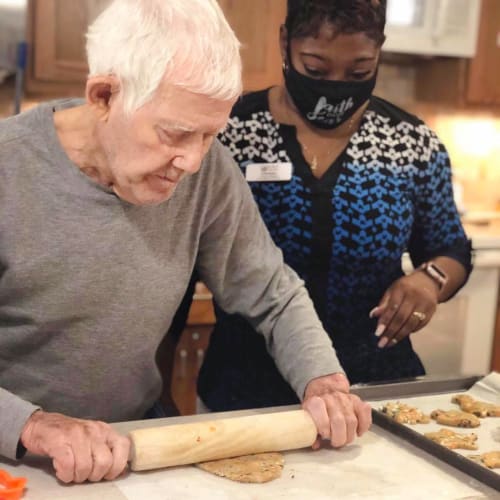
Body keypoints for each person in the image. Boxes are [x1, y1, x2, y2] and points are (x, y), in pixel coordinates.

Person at [0, 0, 372, 485]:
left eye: (209, 135)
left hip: (133, 443)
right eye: (175, 134)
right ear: (104, 96)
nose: (192, 162)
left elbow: (272, 294)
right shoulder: (10, 169)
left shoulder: (207, 171)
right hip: (18, 455)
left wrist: (323, 382)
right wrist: (34, 425)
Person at [186, 0, 472, 413]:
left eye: (359, 72)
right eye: (316, 70)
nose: (336, 86)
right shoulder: (230, 132)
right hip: (244, 393)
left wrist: (430, 279)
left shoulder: (410, 143)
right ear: (285, 43)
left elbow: (452, 248)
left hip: (376, 392)